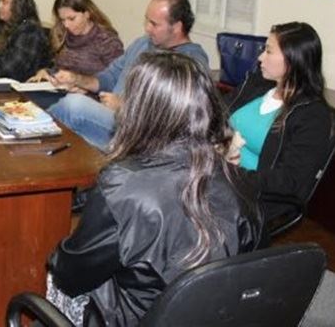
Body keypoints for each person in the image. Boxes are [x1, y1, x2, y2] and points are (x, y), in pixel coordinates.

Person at [46, 52, 260, 325]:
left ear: (138, 110)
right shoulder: (239, 179)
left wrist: (56, 257)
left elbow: (71, 275)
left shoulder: (122, 186)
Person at [48, 0, 208, 150]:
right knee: (70, 134)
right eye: (147, 20)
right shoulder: (142, 44)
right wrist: (77, 80)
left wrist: (125, 107)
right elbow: (108, 78)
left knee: (73, 106)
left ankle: (34, 127)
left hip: (140, 134)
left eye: (154, 24)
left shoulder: (191, 60)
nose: (147, 28)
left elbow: (177, 117)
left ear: (176, 27)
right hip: (112, 121)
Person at [228, 22, 334, 227]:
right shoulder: (257, 84)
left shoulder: (312, 116)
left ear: (293, 60)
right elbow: (218, 115)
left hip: (255, 195)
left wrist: (234, 176)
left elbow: (289, 180)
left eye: (268, 51)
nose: (260, 58)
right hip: (222, 176)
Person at [28, 0, 123, 82]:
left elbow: (118, 81)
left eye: (72, 18)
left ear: (87, 14)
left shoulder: (106, 40)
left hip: (91, 95)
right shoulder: (63, 35)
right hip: (63, 91)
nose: (66, 25)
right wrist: (46, 72)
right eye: (62, 20)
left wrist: (85, 87)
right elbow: (61, 70)